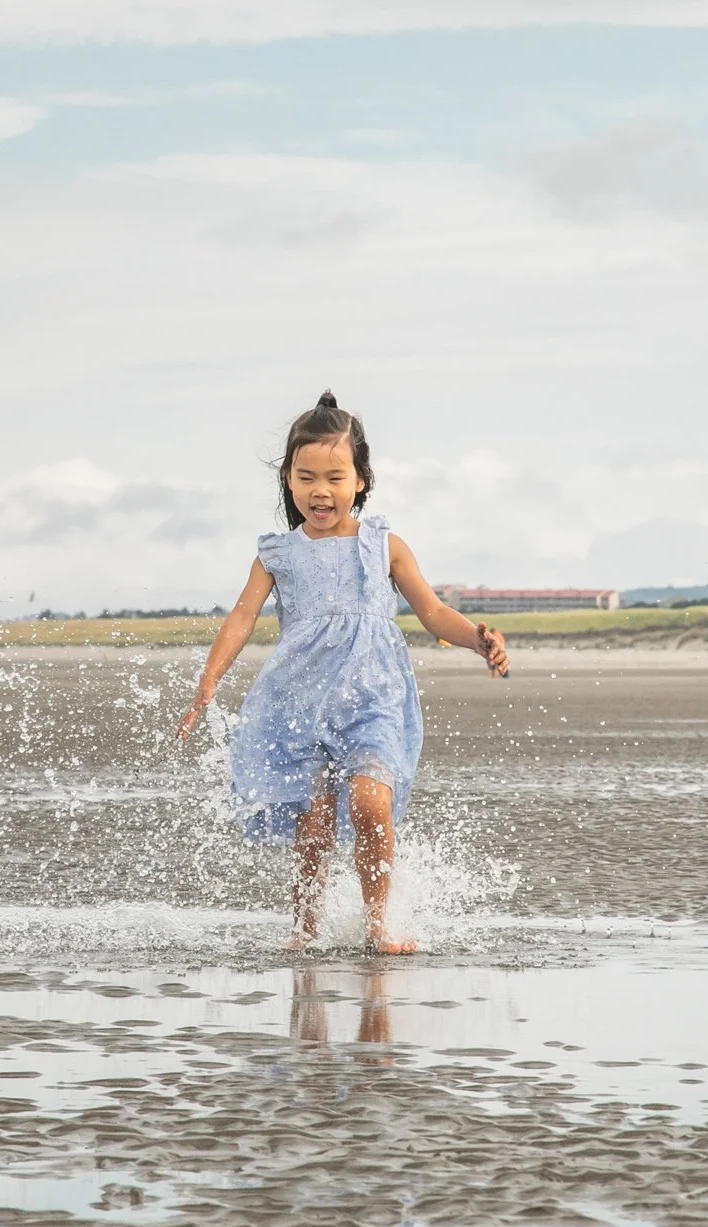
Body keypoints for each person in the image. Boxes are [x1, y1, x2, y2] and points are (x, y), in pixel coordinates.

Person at [175, 391, 508, 953]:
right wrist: (210, 680)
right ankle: (305, 928)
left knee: (371, 798)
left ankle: (380, 924)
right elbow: (241, 616)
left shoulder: (384, 547)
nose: (320, 491)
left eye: (334, 476)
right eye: (306, 477)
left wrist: (477, 639)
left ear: (361, 479)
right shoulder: (278, 553)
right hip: (300, 703)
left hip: (372, 698)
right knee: (313, 824)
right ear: (288, 479)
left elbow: (432, 613)